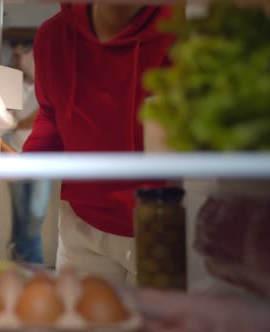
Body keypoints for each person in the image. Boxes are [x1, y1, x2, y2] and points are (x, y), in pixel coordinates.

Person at [23, 4, 175, 283]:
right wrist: (29, 160)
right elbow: (50, 113)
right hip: (81, 226)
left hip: (164, 223)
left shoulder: (184, 30)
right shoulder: (53, 35)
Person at [2, 29, 52, 264]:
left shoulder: (47, 83)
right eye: (15, 54)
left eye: (24, 52)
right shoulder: (13, 85)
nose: (18, 58)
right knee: (21, 215)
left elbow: (44, 115)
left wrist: (16, 123)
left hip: (42, 158)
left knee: (35, 214)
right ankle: (29, 265)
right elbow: (5, 116)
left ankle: (31, 263)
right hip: (16, 154)